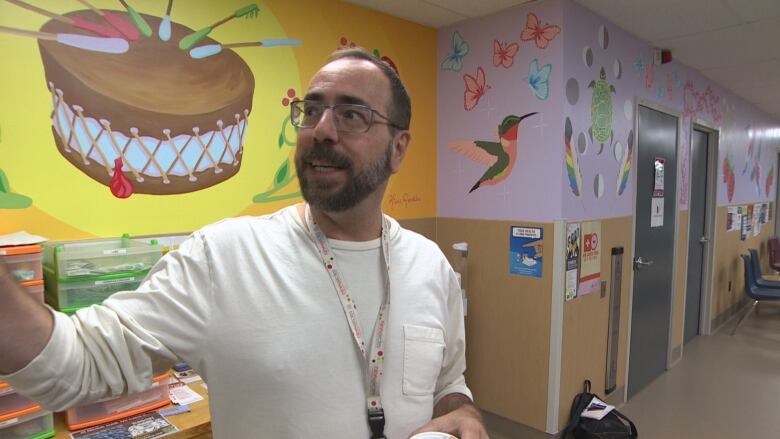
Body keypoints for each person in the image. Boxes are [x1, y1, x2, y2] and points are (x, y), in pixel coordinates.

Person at [0, 49, 488, 438]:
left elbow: (448, 382)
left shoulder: (431, 266)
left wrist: (462, 412)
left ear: (398, 148)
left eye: (353, 115)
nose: (321, 130)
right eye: (312, 110)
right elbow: (76, 365)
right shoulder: (224, 257)